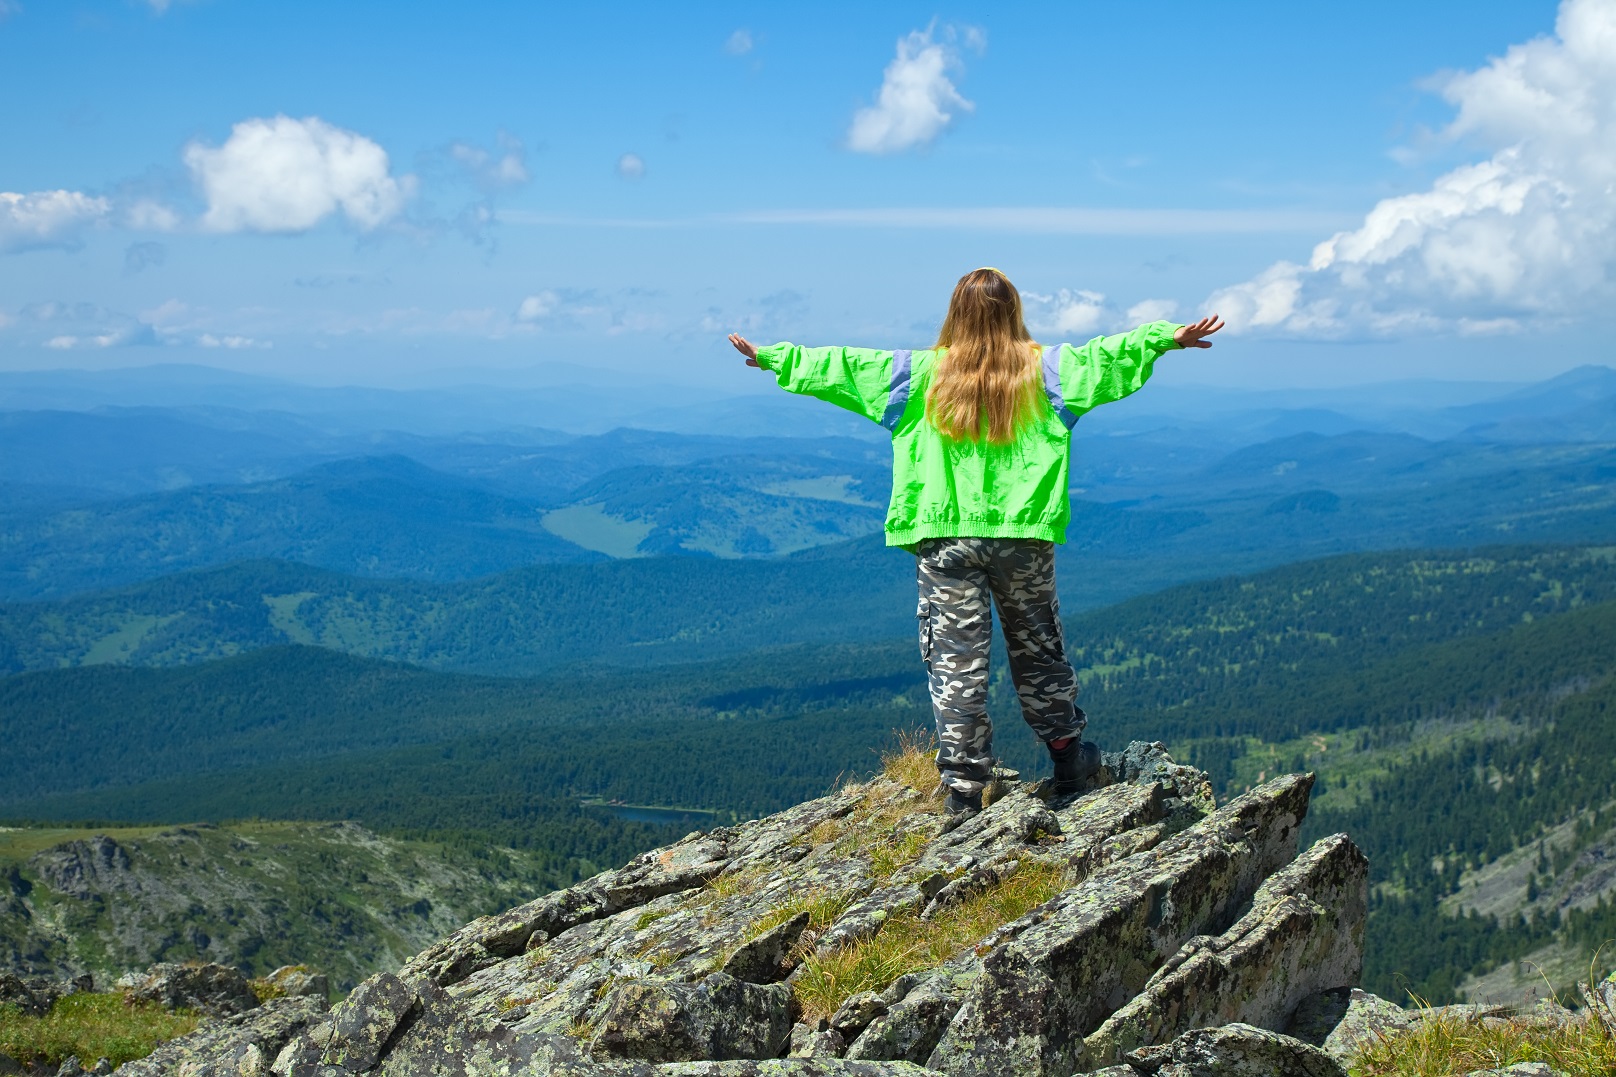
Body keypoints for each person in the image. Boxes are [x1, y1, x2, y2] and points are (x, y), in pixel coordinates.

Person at [727, 268, 1223, 814]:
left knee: (955, 659)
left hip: (943, 536)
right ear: (1013, 312)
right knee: (1039, 647)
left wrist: (776, 357)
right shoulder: (1050, 373)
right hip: (1022, 535)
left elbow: (842, 365)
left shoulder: (914, 376)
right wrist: (1165, 338)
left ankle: (963, 789)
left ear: (954, 314)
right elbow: (1110, 355)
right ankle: (1067, 758)